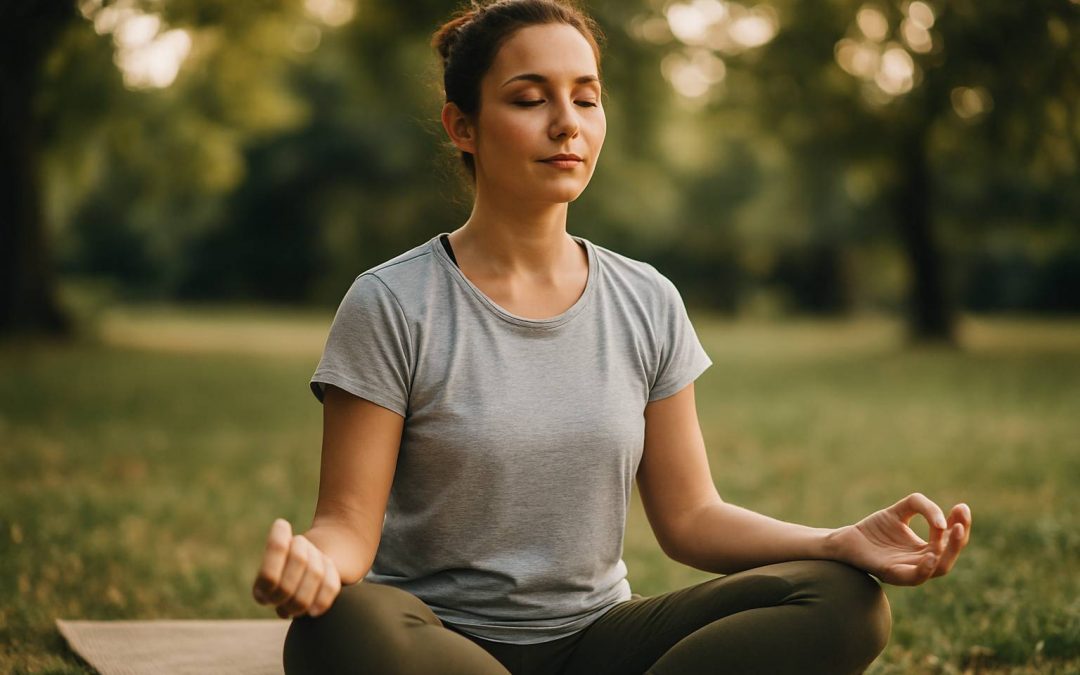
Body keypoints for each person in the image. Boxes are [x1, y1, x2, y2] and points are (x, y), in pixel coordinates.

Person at [252, 1, 972, 673]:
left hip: (599, 640)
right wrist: (314, 560)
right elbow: (346, 525)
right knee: (338, 624)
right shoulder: (393, 302)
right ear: (461, 125)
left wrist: (834, 540)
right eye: (530, 99)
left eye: (587, 98)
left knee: (844, 597)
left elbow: (691, 517)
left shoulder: (646, 299)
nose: (567, 123)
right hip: (438, 640)